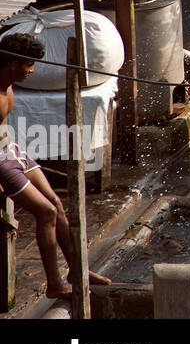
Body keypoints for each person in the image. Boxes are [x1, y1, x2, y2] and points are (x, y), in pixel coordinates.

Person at [0, 33, 110, 300]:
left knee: (57, 205)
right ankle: (54, 283)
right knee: (46, 212)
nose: (32, 70)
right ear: (13, 64)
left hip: (11, 148)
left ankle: (77, 270)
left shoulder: (9, 84)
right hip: (0, 163)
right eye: (28, 65)